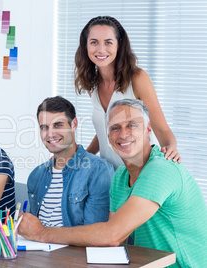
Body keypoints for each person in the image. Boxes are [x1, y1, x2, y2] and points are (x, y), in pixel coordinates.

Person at [18, 99, 207, 268]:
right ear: (107, 136)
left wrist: (41, 233)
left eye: (131, 125)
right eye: (115, 128)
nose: (123, 134)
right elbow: (114, 239)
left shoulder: (161, 169)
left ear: (148, 129)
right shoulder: (121, 176)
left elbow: (111, 235)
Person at [74, 15, 180, 169]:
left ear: (119, 45)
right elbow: (107, 129)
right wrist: (80, 157)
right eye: (94, 42)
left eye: (108, 42)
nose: (101, 49)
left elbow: (161, 129)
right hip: (110, 175)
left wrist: (171, 148)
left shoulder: (137, 78)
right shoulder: (93, 85)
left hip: (142, 172)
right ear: (85, 46)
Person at [27, 96, 113, 227]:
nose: (50, 134)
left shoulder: (98, 171)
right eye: (44, 127)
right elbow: (32, 228)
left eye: (58, 125)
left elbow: (96, 235)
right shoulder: (36, 175)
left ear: (74, 124)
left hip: (74, 248)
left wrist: (42, 234)